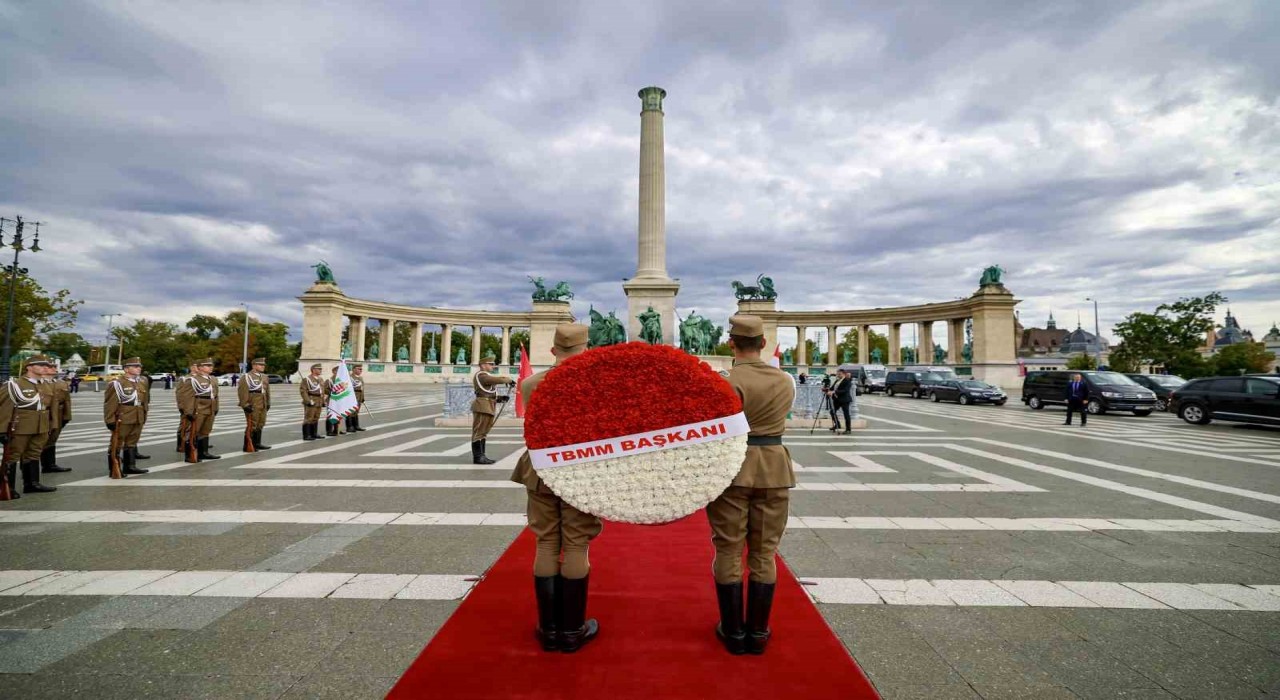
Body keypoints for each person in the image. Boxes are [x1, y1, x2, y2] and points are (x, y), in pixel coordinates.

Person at [509, 323, 601, 653]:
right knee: (576, 543)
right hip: (580, 469)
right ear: (585, 350)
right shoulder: (596, 384)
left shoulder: (530, 384)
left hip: (541, 469)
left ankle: (549, 629)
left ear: (553, 350)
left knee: (547, 541)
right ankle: (573, 629)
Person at [708, 315, 795, 656]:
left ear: (731, 343)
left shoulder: (724, 382)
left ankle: (732, 631)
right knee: (764, 551)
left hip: (734, 469)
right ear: (763, 343)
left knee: (729, 549)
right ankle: (758, 632)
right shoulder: (785, 380)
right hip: (774, 468)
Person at [0, 355, 59, 496]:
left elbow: (49, 407)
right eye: (41, 365)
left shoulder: (45, 384)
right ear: (29, 367)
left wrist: (52, 424)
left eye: (46, 365)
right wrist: (2, 429)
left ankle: (32, 483)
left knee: (34, 453)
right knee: (12, 455)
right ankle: (7, 488)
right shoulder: (14, 385)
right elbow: (4, 408)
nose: (45, 368)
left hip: (41, 425)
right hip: (21, 426)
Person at [104, 357, 150, 476]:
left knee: (132, 442)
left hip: (138, 415)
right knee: (117, 443)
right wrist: (110, 420)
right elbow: (110, 403)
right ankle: (114, 469)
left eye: (139, 366)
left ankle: (130, 466)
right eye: (135, 366)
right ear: (126, 369)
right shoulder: (117, 383)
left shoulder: (142, 382)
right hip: (123, 417)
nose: (139, 368)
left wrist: (144, 414)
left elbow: (145, 401)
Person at [471, 353, 515, 465]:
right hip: (482, 406)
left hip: (488, 405)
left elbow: (488, 393)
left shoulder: (485, 376)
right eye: (490, 364)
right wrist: (509, 380)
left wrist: (500, 398)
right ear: (483, 365)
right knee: (479, 432)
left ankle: (482, 456)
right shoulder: (482, 376)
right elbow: (500, 380)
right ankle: (478, 457)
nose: (493, 366)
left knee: (483, 432)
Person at [176, 358, 220, 462]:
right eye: (207, 366)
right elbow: (187, 397)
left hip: (210, 408)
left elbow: (215, 395)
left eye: (211, 365)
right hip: (198, 409)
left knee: (205, 431)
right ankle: (189, 455)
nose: (211, 367)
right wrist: (188, 412)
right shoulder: (192, 380)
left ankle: (203, 453)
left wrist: (216, 407)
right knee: (193, 431)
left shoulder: (213, 379)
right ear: (200, 367)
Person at [39, 361, 73, 473]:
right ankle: (27, 469)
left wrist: (67, 416)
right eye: (50, 367)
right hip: (43, 414)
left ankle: (49, 465)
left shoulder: (61, 383)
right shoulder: (37, 383)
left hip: (58, 414)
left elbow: (67, 401)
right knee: (37, 441)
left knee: (52, 439)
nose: (54, 369)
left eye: (54, 367)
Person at [237, 358, 272, 450]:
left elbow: (267, 391)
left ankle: (257, 443)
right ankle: (248, 445)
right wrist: (244, 404)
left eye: (263, 365)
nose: (263, 366)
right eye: (261, 365)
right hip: (253, 403)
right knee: (252, 424)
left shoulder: (264, 377)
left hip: (263, 403)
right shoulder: (246, 377)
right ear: (254, 366)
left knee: (261, 423)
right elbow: (242, 392)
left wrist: (268, 402)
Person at [299, 363, 328, 441]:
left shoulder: (320, 379)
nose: (320, 370)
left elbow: (322, 391)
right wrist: (308, 401)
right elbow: (303, 391)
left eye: (321, 369)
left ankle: (314, 433)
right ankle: (307, 435)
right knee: (309, 418)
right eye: (319, 369)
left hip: (319, 400)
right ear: (313, 370)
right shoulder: (307, 379)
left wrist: (323, 401)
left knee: (316, 417)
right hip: (311, 400)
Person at [828, 369, 853, 434]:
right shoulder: (837, 380)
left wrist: (834, 392)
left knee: (846, 414)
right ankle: (837, 424)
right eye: (837, 374)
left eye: (839, 374)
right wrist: (827, 390)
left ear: (844, 374)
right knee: (832, 412)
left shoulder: (847, 381)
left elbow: (845, 390)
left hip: (844, 399)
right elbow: (832, 388)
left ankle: (848, 429)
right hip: (837, 399)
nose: (838, 375)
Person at [345, 364, 367, 432]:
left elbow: (362, 389)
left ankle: (356, 426)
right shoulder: (349, 377)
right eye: (359, 369)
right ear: (353, 369)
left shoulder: (360, 378)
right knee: (350, 412)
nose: (360, 370)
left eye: (361, 369)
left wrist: (362, 397)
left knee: (356, 412)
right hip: (352, 396)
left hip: (359, 396)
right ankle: (349, 427)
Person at [323, 366, 343, 436]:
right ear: (334, 371)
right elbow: (325, 390)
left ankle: (336, 429)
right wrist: (333, 392)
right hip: (331, 400)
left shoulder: (341, 380)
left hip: (339, 400)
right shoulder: (329, 380)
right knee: (330, 415)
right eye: (337, 371)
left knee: (338, 414)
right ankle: (329, 431)